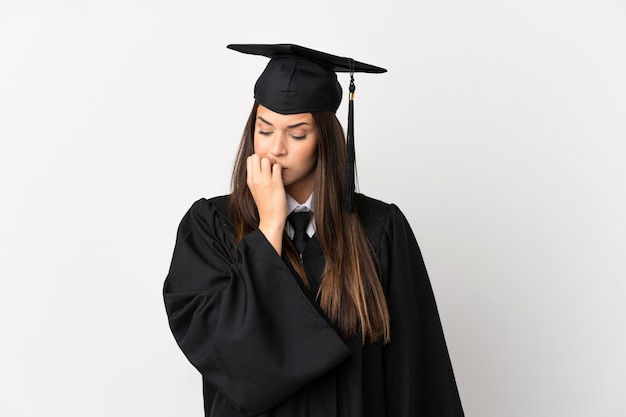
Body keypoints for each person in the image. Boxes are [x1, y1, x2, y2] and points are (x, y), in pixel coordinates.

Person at [163, 43, 465, 417]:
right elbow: (226, 353)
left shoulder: (379, 230)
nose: (275, 149)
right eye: (264, 128)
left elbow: (415, 373)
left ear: (325, 138)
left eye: (297, 134)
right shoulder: (211, 227)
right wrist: (270, 226)